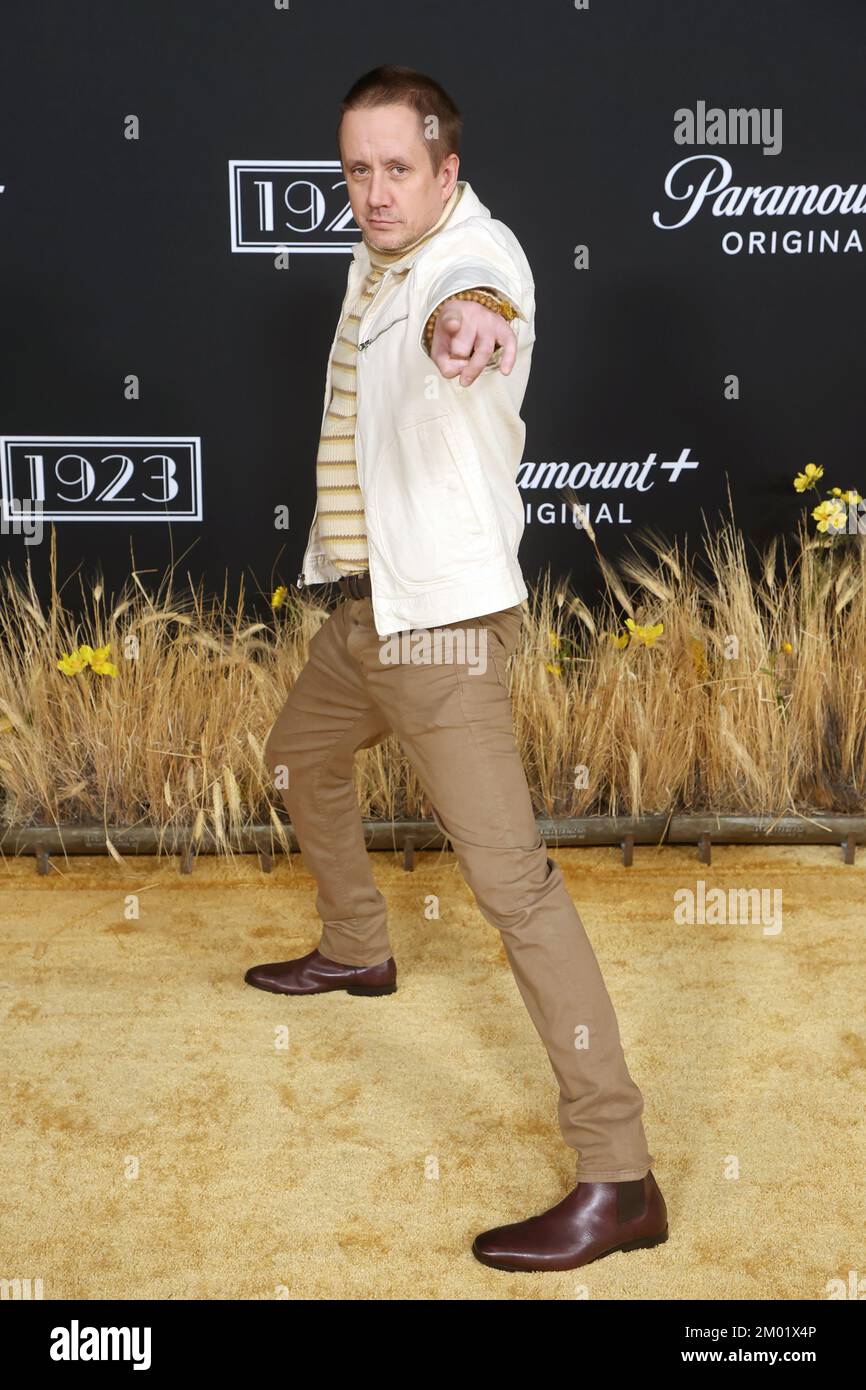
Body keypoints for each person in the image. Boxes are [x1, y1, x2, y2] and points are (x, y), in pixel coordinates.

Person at [246, 64, 667, 1272]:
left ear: (446, 170)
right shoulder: (374, 256)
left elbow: (477, 301)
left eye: (396, 169)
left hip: (438, 632)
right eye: (356, 171)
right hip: (366, 619)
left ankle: (618, 1175)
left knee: (515, 889)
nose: (374, 192)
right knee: (297, 763)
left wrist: (468, 319)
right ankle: (358, 944)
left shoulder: (468, 257)